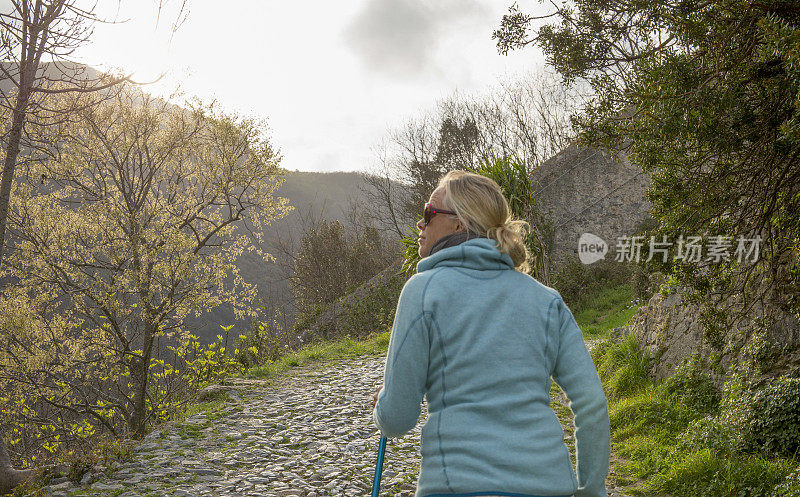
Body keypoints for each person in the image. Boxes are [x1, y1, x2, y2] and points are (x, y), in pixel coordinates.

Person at [371, 170, 610, 497]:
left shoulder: (423, 292)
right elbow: (592, 403)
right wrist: (591, 490)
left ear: (458, 223)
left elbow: (397, 417)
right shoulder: (547, 301)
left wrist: (382, 408)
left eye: (428, 213)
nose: (420, 223)